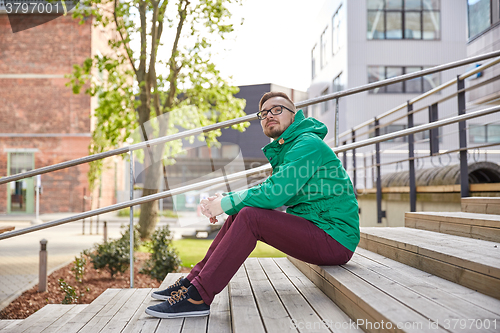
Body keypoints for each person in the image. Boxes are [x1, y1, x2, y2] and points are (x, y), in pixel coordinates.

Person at [145, 91, 359, 319]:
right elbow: (269, 189)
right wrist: (225, 200)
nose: (269, 115)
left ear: (294, 115)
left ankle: (199, 296)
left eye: (277, 109)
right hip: (317, 228)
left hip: (333, 238)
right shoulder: (290, 147)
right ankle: (192, 282)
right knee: (244, 213)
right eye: (264, 113)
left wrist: (224, 203)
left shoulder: (307, 145)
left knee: (249, 217)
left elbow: (274, 194)